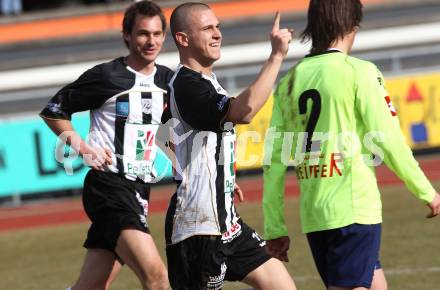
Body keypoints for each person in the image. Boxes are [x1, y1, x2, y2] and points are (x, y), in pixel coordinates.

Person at [262, 0, 440, 290]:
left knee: (375, 284)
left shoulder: (288, 82)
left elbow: (273, 161)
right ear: (352, 26)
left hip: (315, 214)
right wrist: (426, 190)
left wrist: (275, 226)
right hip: (354, 206)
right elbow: (387, 138)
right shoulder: (360, 72)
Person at [162, 2, 297, 290]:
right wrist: (276, 56)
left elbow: (165, 135)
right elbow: (244, 113)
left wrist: (215, 176)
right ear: (183, 39)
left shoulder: (206, 82)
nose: (217, 34)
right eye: (207, 28)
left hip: (226, 223)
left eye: (218, 27)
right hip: (198, 228)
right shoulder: (187, 84)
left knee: (282, 286)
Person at [39, 1, 173, 290]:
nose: (151, 41)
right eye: (142, 33)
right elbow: (53, 111)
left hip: (139, 190)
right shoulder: (107, 76)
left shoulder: (168, 80)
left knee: (91, 286)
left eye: (157, 33)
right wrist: (85, 149)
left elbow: (168, 133)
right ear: (126, 35)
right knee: (158, 278)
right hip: (109, 187)